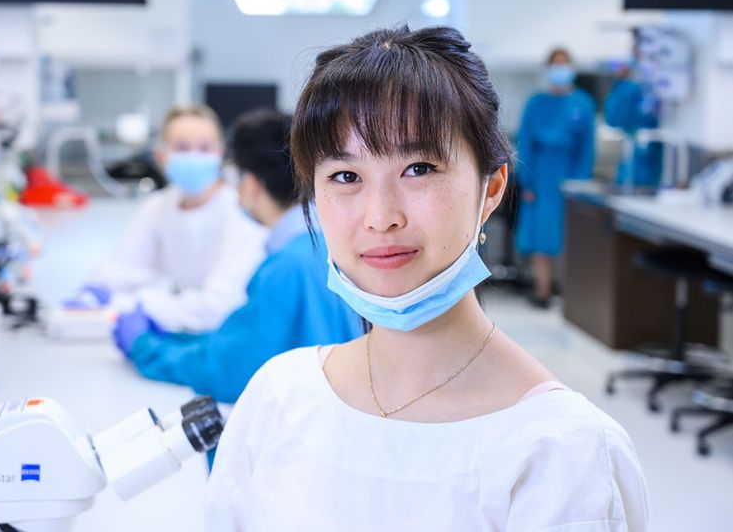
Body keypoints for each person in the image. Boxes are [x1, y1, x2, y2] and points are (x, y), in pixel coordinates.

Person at [204, 26, 648, 530]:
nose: (380, 217)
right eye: (345, 177)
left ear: (492, 187)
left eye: (419, 168)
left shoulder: (562, 452)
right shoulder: (278, 397)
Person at [114, 109, 361, 404]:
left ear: (251, 184)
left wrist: (146, 348)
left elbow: (227, 368)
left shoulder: (286, 267)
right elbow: (246, 339)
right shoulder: (322, 246)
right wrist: (171, 340)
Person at [67, 104, 268, 332]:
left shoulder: (240, 213)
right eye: (182, 147)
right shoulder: (159, 207)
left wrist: (133, 304)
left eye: (205, 148)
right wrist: (95, 291)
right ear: (161, 156)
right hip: (186, 329)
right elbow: (126, 266)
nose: (194, 156)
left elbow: (215, 307)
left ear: (220, 154)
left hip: (231, 334)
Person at [515, 48, 596, 308]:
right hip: (540, 176)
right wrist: (526, 182)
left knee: (570, 237)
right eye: (555, 64)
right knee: (541, 238)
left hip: (571, 175)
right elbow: (524, 143)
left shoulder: (583, 104)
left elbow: (587, 148)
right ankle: (543, 291)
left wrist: (579, 183)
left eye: (564, 64)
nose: (560, 69)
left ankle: (572, 294)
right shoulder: (536, 102)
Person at [604, 29, 663, 188]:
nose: (635, 50)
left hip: (651, 171)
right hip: (632, 166)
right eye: (635, 45)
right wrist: (621, 81)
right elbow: (613, 119)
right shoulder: (630, 86)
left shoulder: (657, 85)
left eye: (640, 45)